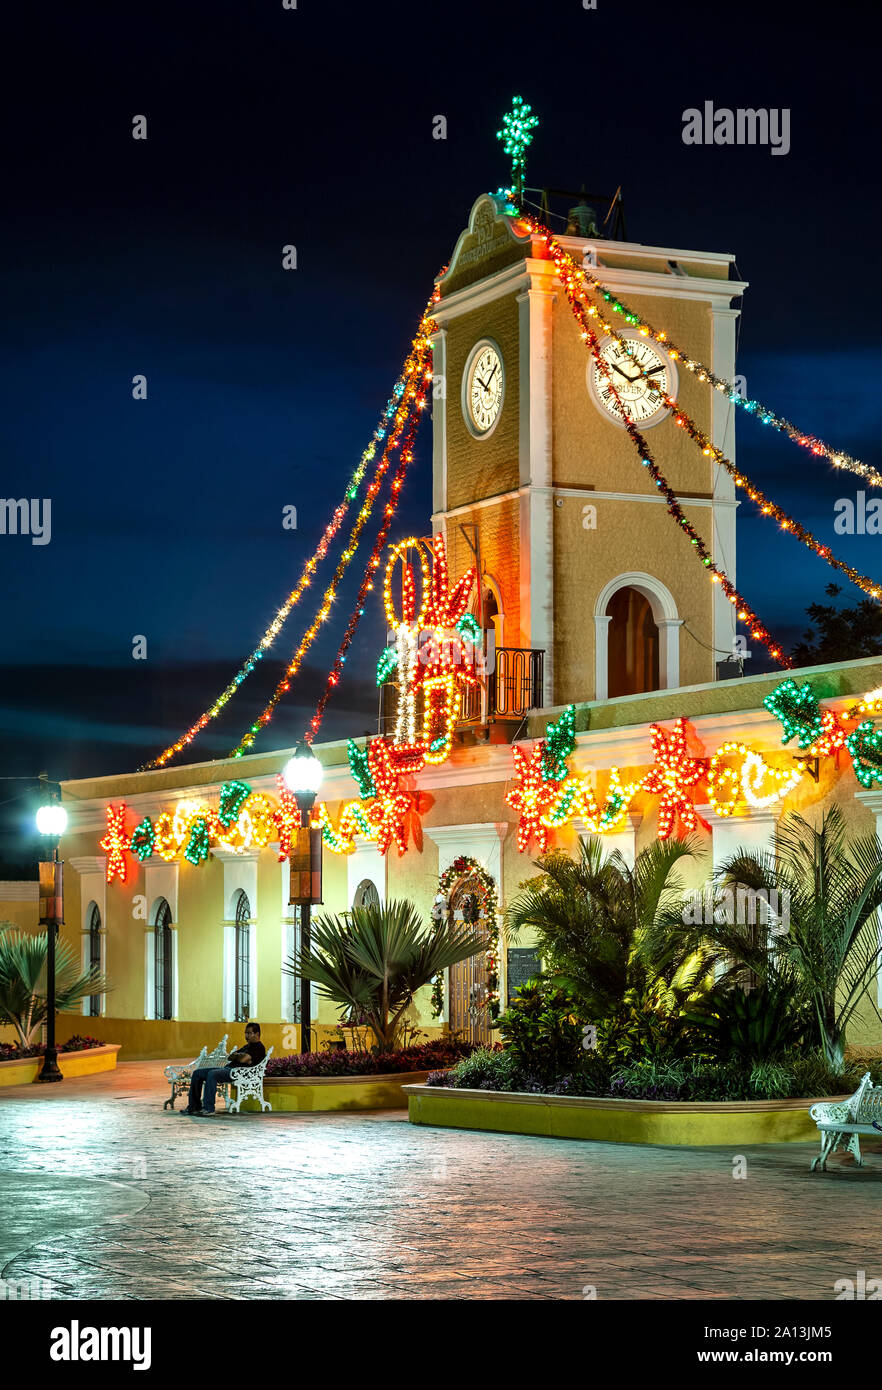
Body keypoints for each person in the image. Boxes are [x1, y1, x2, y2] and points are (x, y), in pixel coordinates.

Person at [180, 1022, 266, 1116]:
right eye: (245, 1033)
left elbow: (243, 1059)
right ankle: (194, 1106)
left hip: (237, 1073)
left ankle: (209, 1108)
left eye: (249, 1033)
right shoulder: (247, 1046)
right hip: (229, 1069)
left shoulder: (259, 1048)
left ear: (257, 1034)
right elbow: (230, 1057)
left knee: (212, 1074)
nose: (246, 1036)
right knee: (197, 1073)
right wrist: (239, 1056)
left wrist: (239, 1056)